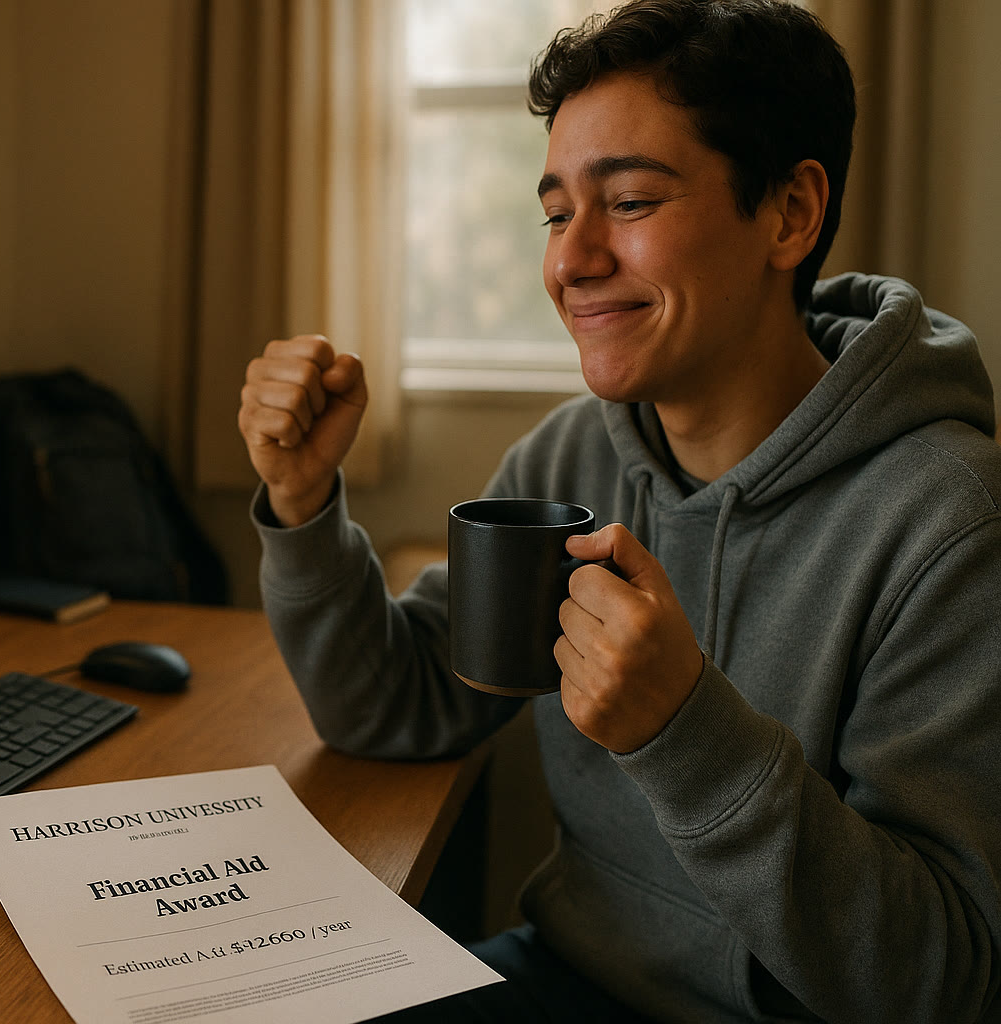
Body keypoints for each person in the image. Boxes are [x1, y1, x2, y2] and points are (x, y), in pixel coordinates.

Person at [236, 1, 1001, 1022]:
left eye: (631, 200)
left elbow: (934, 980)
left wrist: (685, 730)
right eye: (557, 213)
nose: (570, 260)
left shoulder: (949, 522)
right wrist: (302, 502)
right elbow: (400, 703)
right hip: (571, 974)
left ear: (790, 214)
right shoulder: (571, 454)